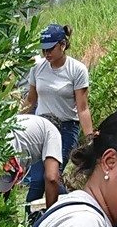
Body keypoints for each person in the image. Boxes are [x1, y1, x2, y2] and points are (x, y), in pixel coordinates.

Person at [21, 22, 91, 202]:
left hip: (66, 127)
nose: (46, 54)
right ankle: (31, 222)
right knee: (36, 180)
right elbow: (31, 100)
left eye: (50, 49)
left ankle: (65, 212)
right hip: (41, 127)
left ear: (63, 45)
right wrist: (13, 121)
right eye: (43, 50)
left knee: (53, 176)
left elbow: (82, 108)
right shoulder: (38, 68)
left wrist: (90, 137)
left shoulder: (77, 70)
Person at [3, 110, 64, 210]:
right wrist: (51, 214)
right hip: (7, 157)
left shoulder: (26, 121)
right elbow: (52, 178)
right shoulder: (52, 130)